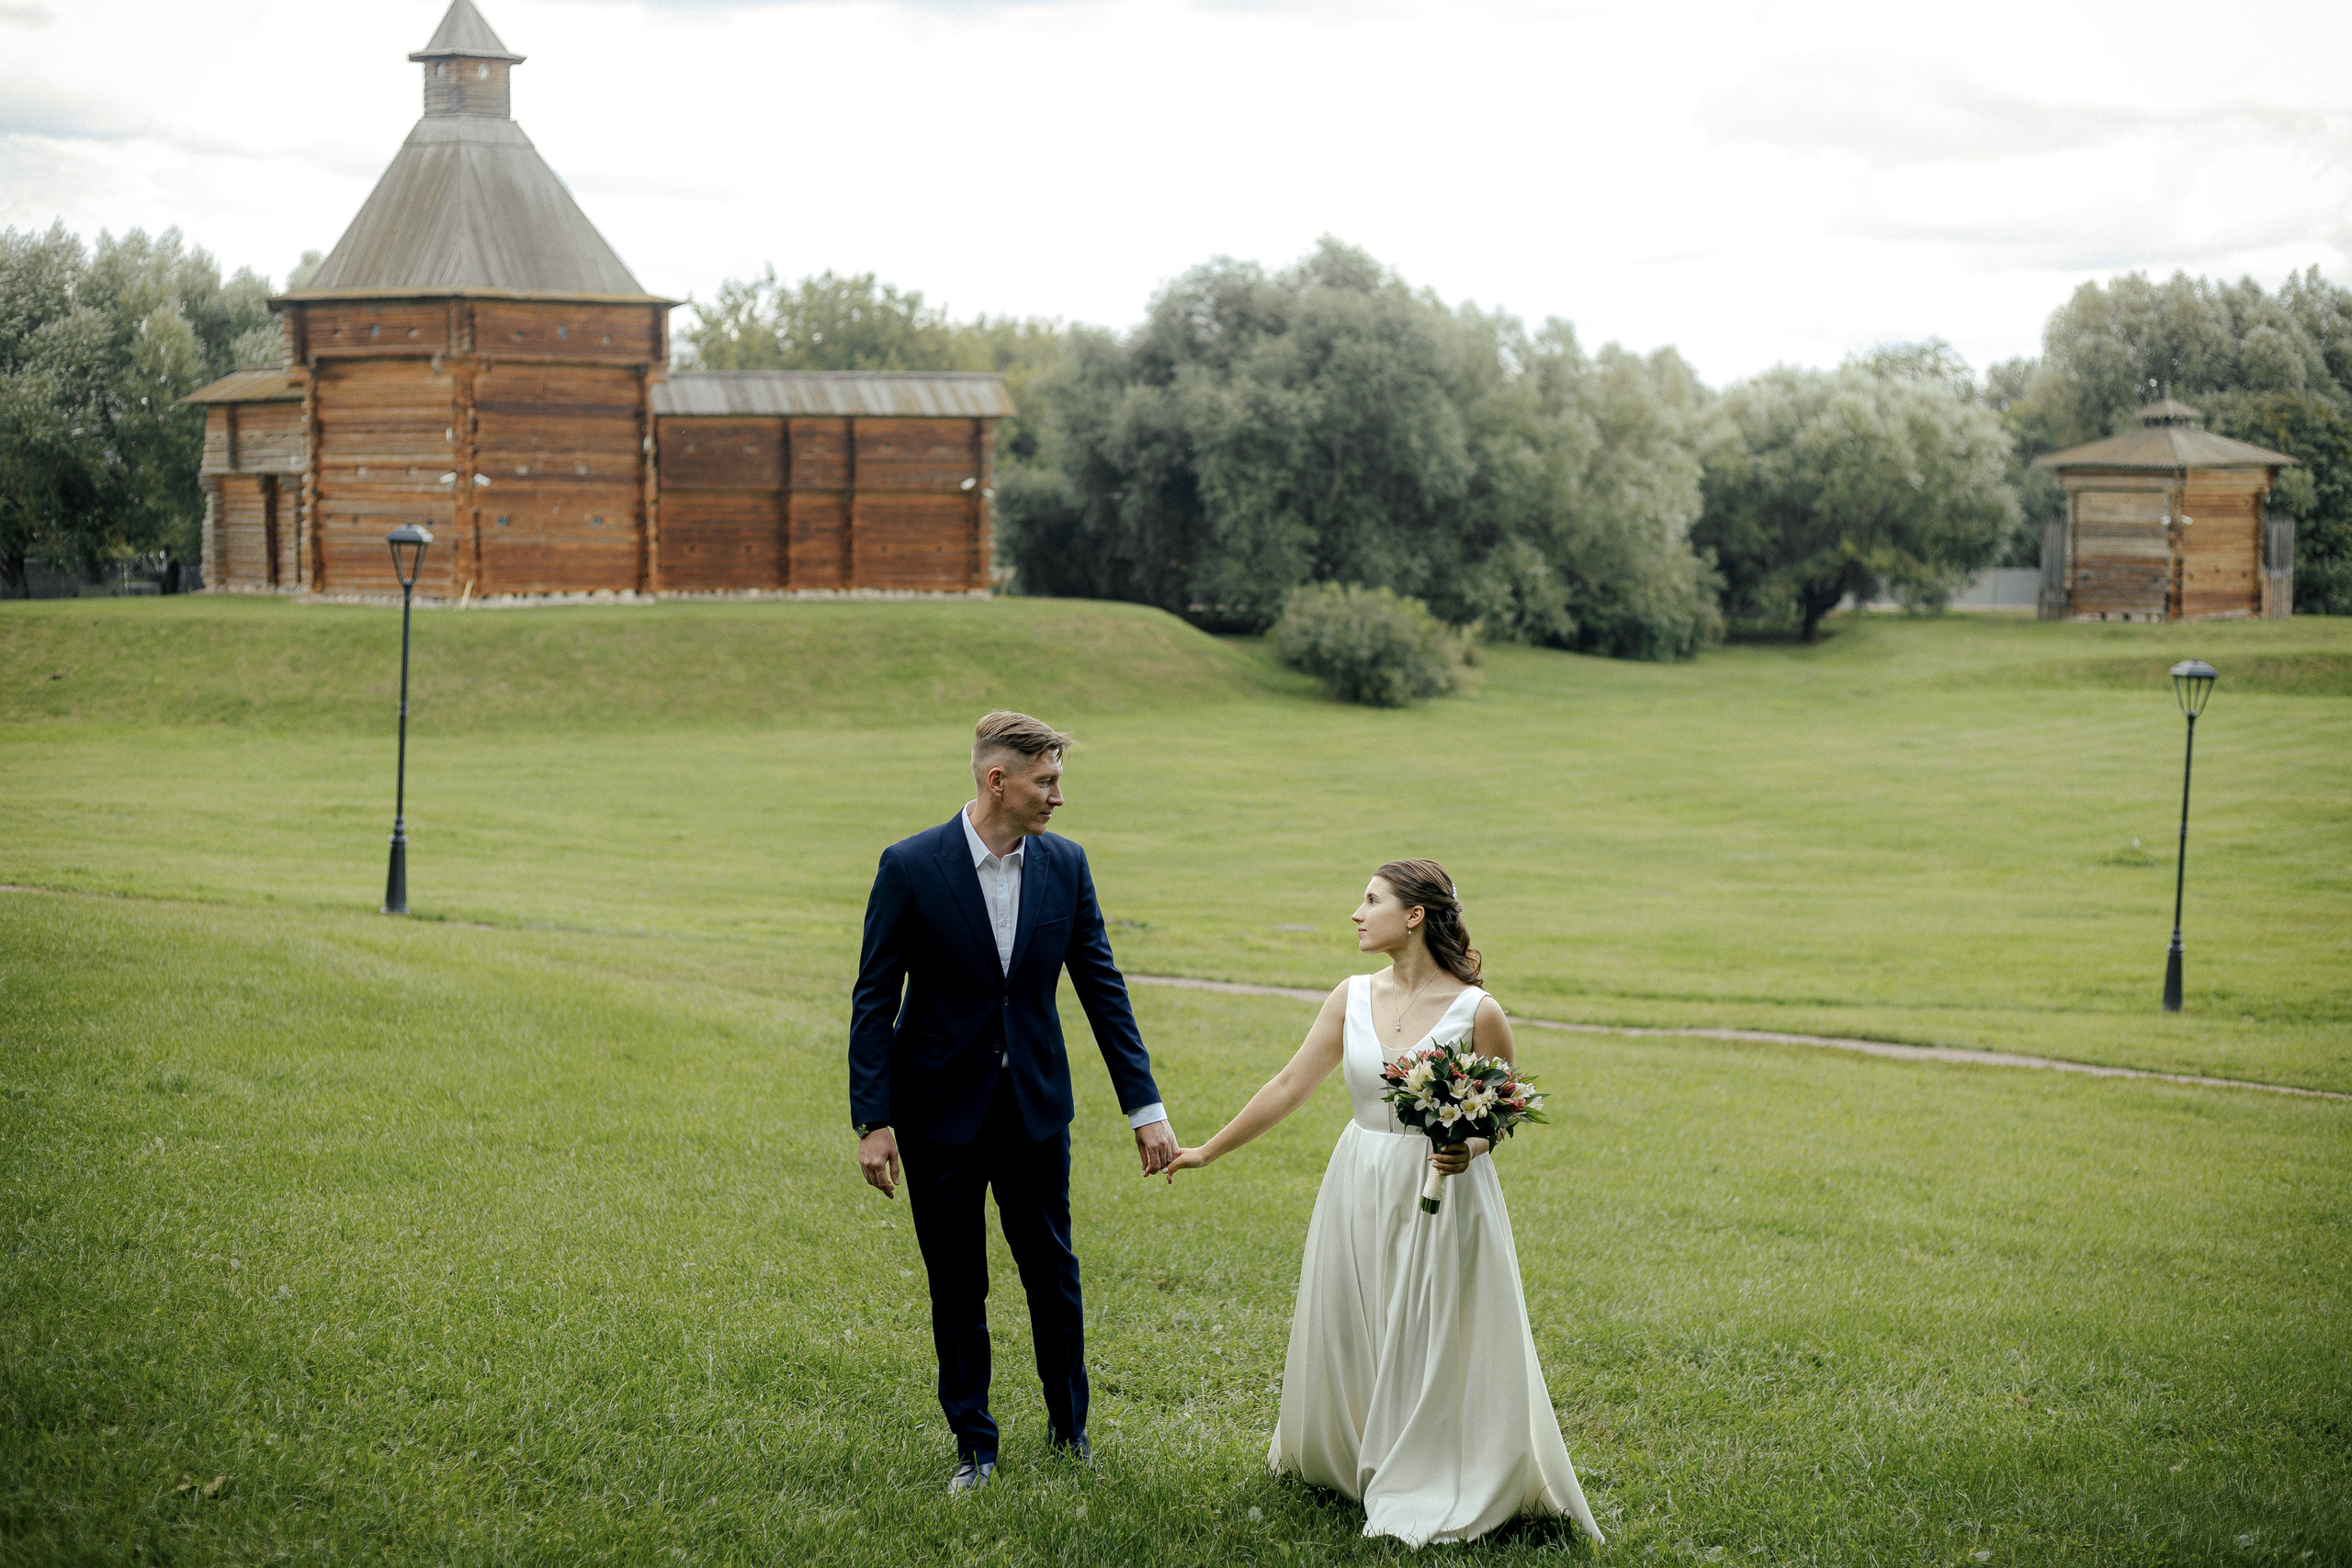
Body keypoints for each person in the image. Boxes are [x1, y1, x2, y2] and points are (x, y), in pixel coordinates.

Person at [1164, 859, 1603, 1548]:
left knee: (1433, 1327)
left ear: (1415, 915)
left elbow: (1499, 1113)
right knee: (1357, 1316)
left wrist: (1472, 1149)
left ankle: (1435, 1467)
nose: (1355, 912)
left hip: (1445, 1190)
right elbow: (1288, 1085)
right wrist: (1207, 1150)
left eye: (1370, 900)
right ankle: (1356, 1448)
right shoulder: (1350, 995)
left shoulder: (1477, 1011)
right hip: (1360, 1176)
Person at [849, 710, 1180, 1495]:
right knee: (958, 1280)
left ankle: (1073, 1434)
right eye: (1047, 780)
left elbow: (1104, 990)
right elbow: (874, 995)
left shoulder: (1066, 866)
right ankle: (975, 1446)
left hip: (1035, 1109)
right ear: (998, 780)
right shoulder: (910, 865)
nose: (1058, 796)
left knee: (1052, 1274)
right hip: (938, 1114)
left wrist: (1146, 1106)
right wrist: (875, 1117)